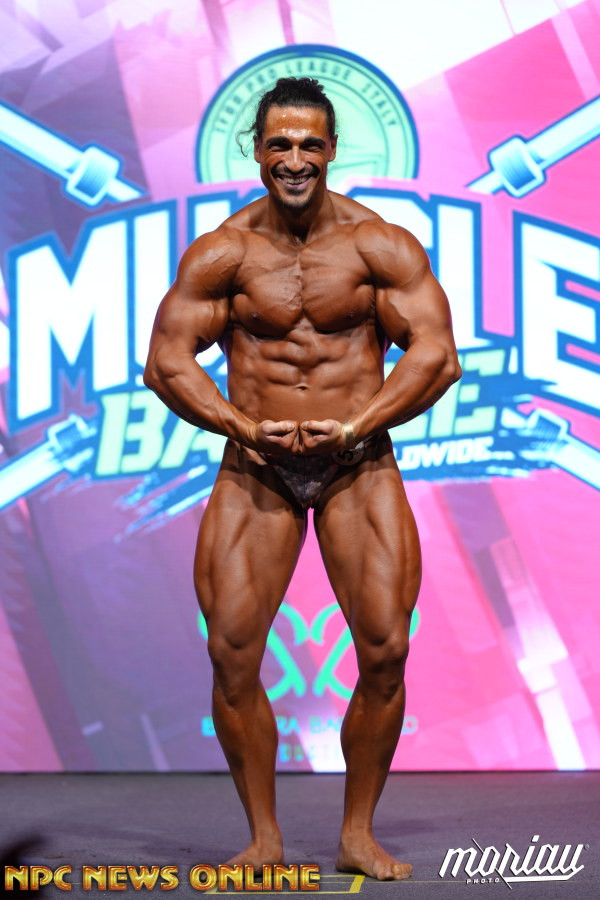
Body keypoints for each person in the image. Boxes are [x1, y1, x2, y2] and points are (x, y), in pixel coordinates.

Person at [144, 76, 461, 881]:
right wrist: (241, 426)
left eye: (309, 144)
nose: (295, 159)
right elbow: (167, 363)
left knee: (386, 649)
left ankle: (358, 833)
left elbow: (436, 355)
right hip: (258, 467)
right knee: (231, 652)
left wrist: (357, 424)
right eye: (279, 144)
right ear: (255, 151)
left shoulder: (378, 245)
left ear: (331, 150)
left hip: (359, 464)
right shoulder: (222, 253)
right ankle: (263, 837)